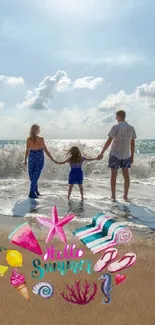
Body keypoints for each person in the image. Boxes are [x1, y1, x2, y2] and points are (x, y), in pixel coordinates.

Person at [97, 110, 137, 202]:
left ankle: (113, 197)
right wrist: (132, 156)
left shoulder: (115, 127)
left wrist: (102, 152)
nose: (116, 119)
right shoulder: (131, 128)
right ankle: (125, 196)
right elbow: (132, 144)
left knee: (113, 176)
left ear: (118, 117)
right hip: (126, 155)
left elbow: (109, 141)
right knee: (126, 176)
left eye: (116, 117)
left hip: (115, 154)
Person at [24, 124, 54, 198]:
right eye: (39, 129)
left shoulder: (36, 139)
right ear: (36, 130)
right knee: (34, 176)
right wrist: (25, 160)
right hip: (37, 157)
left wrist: (25, 159)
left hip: (33, 157)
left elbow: (28, 150)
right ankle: (33, 192)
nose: (40, 130)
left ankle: (34, 191)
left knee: (34, 176)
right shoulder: (33, 139)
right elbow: (45, 150)